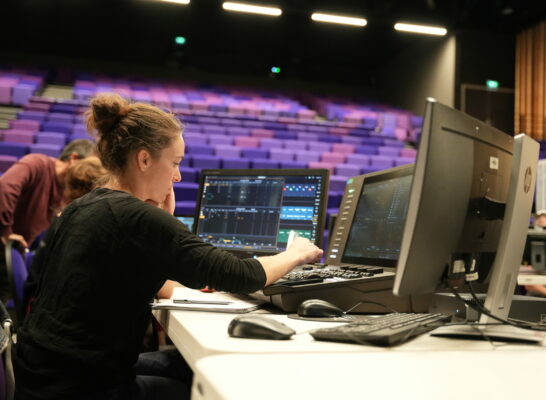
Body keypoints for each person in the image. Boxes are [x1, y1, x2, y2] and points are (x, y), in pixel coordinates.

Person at [14, 93, 322, 400]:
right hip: (83, 388)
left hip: (42, 377)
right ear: (145, 159)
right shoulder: (136, 216)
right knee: (200, 384)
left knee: (180, 363)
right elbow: (240, 274)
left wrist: (162, 227)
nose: (178, 175)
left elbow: (116, 273)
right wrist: (297, 252)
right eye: (175, 163)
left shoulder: (84, 206)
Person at [0, 139, 97, 302]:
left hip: (9, 257)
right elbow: (5, 188)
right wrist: (5, 232)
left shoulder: (69, 191)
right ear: (73, 158)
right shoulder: (37, 163)